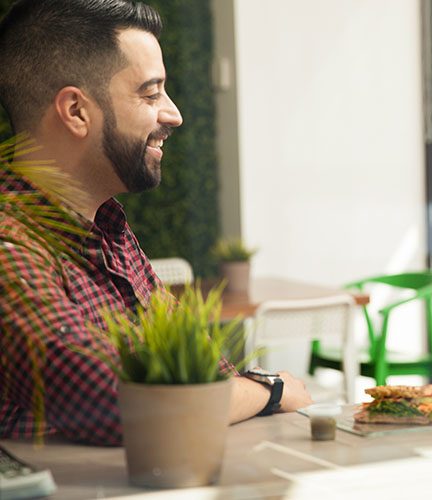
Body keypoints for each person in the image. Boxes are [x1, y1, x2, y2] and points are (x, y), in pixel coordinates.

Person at [0, 0, 312, 446]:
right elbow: (127, 406)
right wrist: (270, 389)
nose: (174, 114)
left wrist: (239, 390)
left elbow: (205, 371)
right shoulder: (10, 242)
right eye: (150, 93)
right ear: (75, 111)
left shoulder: (109, 231)